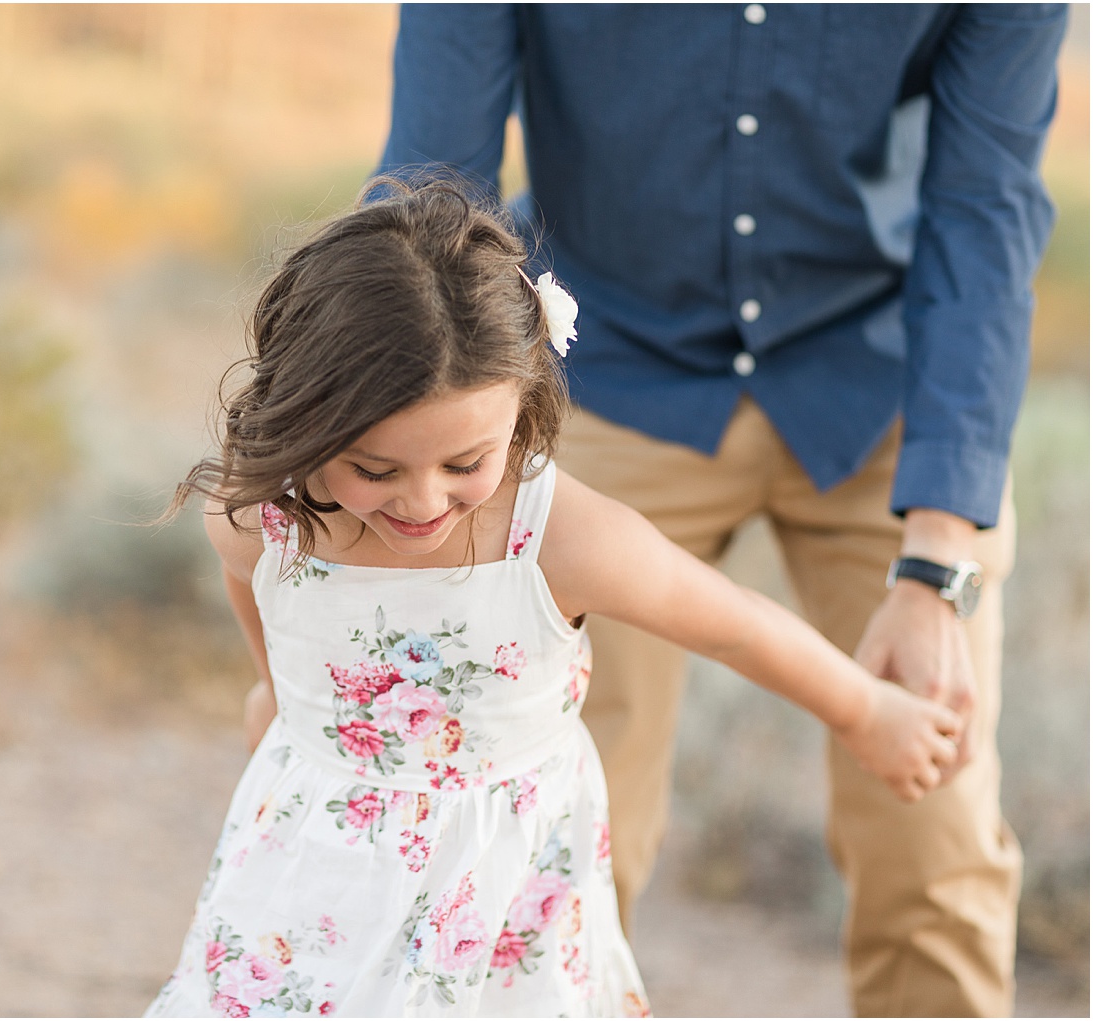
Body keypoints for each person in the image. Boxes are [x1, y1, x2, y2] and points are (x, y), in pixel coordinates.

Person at [373, 5, 1067, 1017]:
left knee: (934, 846)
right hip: (600, 370)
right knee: (541, 828)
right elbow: (432, 186)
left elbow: (985, 210)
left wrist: (936, 565)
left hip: (881, 388)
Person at [147, 180, 962, 1017]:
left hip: (502, 894)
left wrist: (866, 710)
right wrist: (276, 695)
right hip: (317, 874)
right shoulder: (258, 519)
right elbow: (254, 593)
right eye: (375, 470)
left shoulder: (557, 538)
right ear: (304, 417)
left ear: (521, 404)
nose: (423, 502)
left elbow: (734, 628)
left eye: (465, 463)